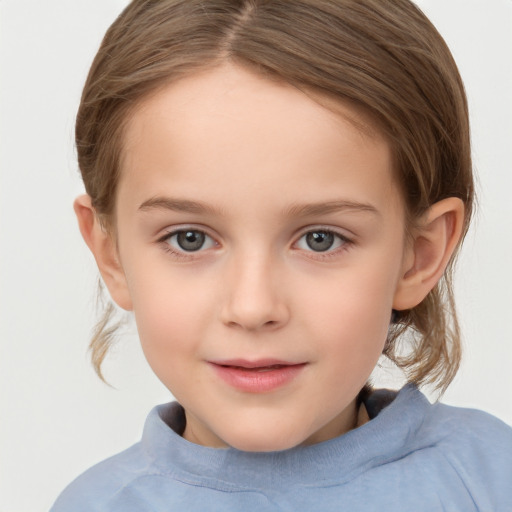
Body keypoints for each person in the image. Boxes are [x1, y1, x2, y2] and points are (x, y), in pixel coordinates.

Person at [50, 0, 512, 510]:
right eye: (190, 239)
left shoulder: (492, 479)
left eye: (321, 239)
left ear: (419, 255)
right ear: (111, 253)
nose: (253, 307)